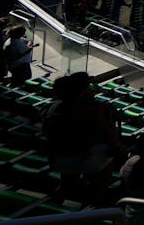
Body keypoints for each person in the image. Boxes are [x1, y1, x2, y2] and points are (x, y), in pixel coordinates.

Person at [43, 72, 121, 202]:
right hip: (88, 159)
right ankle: (92, 207)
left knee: (65, 184)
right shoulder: (96, 109)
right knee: (100, 186)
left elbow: (47, 133)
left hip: (60, 158)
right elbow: (110, 138)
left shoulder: (53, 108)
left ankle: (52, 208)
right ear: (83, 90)